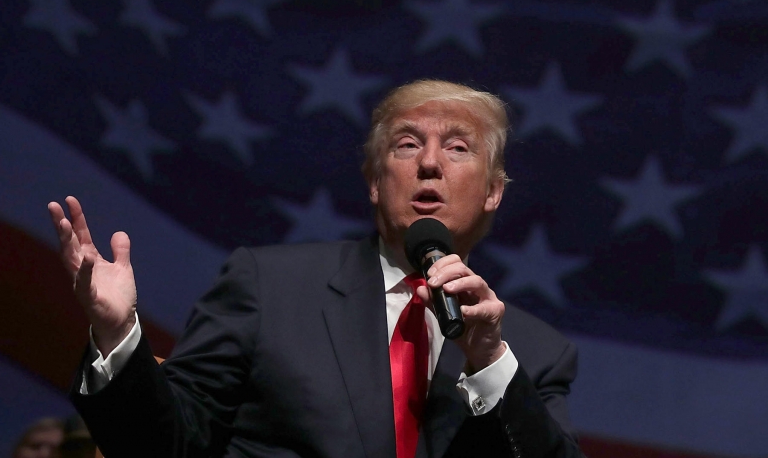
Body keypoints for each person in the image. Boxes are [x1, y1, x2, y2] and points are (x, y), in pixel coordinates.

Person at [47, 79, 582, 458]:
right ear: (374, 182)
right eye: (407, 143)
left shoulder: (530, 354)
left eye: (458, 147)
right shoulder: (269, 286)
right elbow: (165, 446)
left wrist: (486, 358)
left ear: (492, 193)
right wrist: (117, 333)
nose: (429, 163)